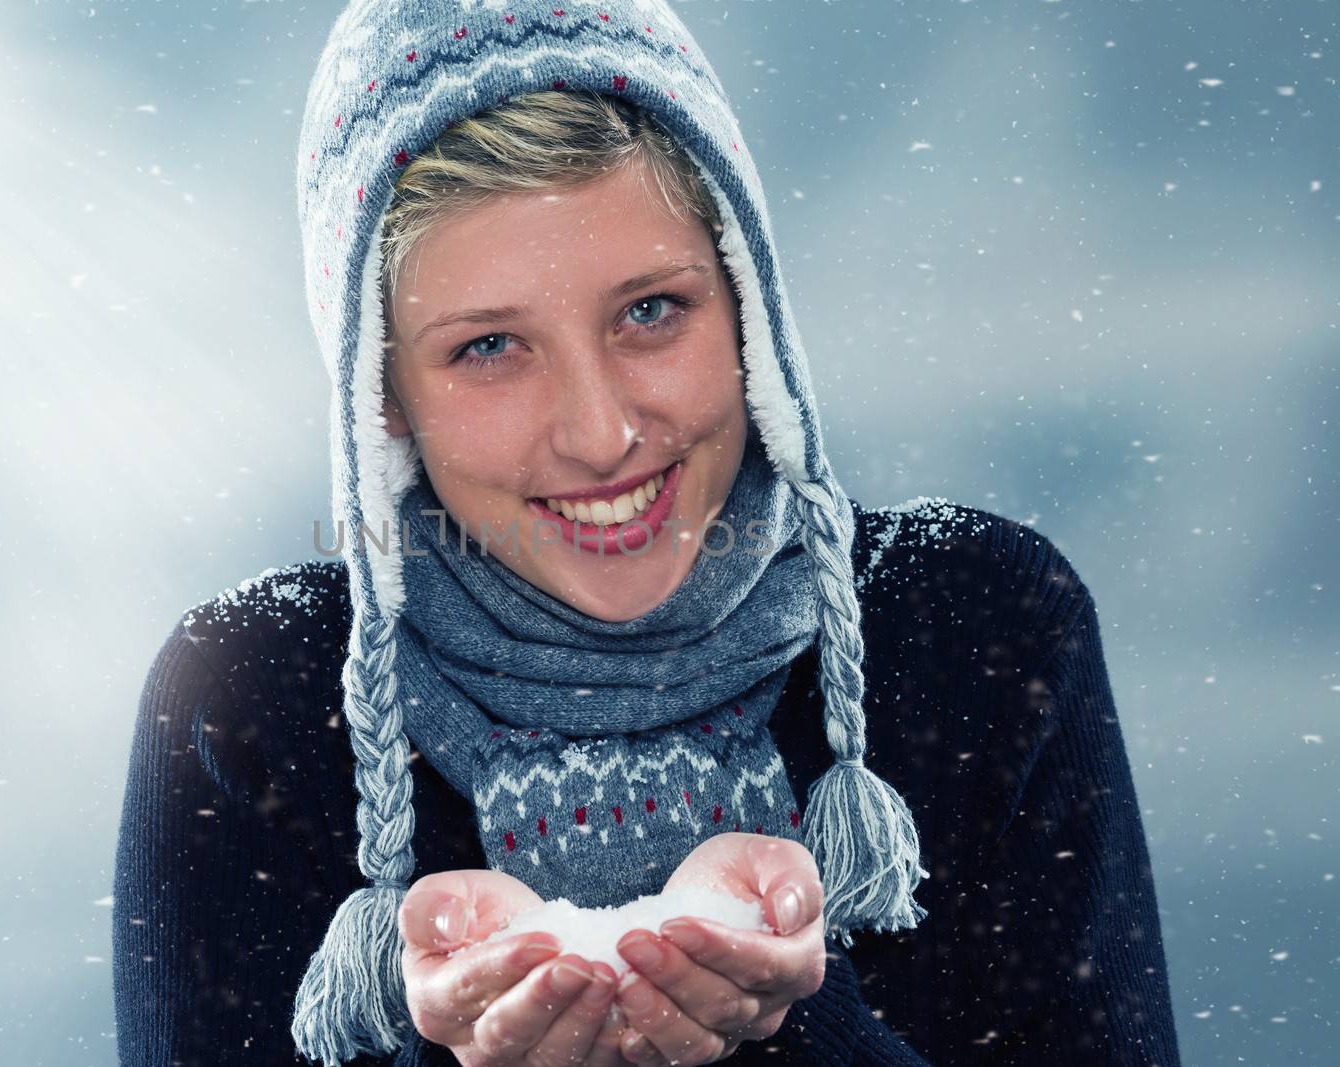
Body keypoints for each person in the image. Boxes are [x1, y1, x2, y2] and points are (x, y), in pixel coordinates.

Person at [111, 3, 1182, 1065]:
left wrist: (783, 1021)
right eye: (487, 345)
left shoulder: (979, 621)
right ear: (377, 390)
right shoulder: (252, 700)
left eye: (649, 312)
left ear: (747, 305)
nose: (601, 433)